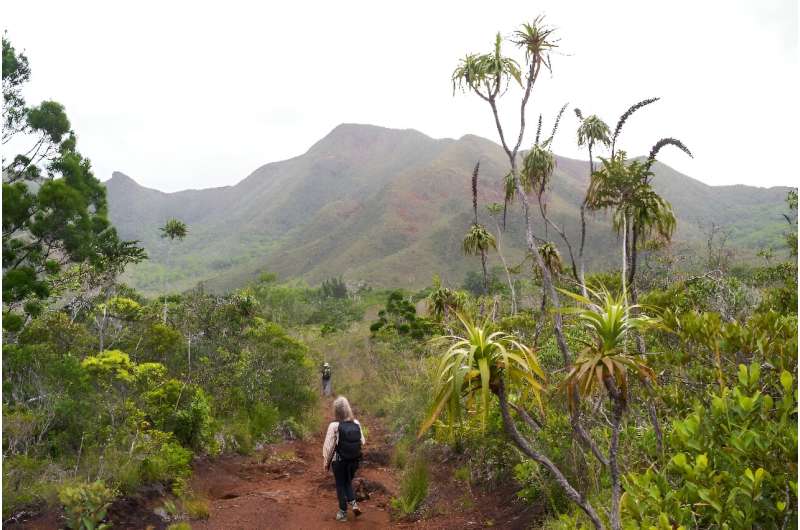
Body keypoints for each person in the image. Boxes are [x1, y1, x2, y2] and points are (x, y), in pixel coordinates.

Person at [322, 396, 365, 522]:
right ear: (348, 409)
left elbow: (328, 447)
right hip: (354, 461)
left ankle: (343, 513)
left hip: (339, 461)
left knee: (340, 484)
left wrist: (326, 463)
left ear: (336, 410)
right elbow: (362, 441)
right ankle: (354, 504)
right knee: (347, 482)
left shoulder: (334, 425)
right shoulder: (356, 423)